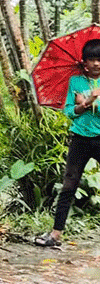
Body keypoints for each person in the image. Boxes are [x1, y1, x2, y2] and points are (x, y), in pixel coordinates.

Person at [35, 39, 100, 247]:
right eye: (92, 60)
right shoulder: (76, 82)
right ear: (84, 62)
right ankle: (55, 235)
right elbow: (70, 112)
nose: (97, 64)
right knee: (69, 185)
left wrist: (91, 101)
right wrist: (86, 104)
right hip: (79, 139)